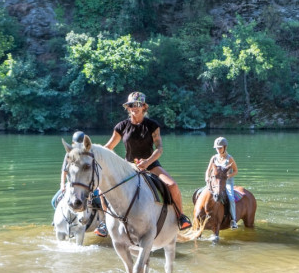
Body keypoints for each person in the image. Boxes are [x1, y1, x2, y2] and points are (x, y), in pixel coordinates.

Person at [105, 92, 192, 230]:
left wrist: (146, 162)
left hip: (151, 164)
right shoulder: (121, 126)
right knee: (103, 188)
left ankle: (180, 217)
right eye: (131, 105)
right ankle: (104, 224)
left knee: (172, 185)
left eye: (138, 104)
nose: (134, 107)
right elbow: (108, 148)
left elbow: (159, 149)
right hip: (128, 167)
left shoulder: (152, 125)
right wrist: (96, 153)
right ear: (128, 107)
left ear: (144, 107)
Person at [58, 131, 107, 237]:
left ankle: (104, 224)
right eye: (76, 144)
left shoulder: (88, 155)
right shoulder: (69, 154)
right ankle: (59, 222)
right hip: (73, 185)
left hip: (88, 185)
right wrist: (62, 185)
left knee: (100, 200)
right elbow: (64, 171)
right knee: (54, 200)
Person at [205, 137, 239, 229]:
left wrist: (228, 176)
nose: (218, 150)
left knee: (231, 198)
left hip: (227, 183)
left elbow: (236, 171)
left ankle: (233, 220)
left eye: (220, 148)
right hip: (214, 182)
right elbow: (208, 170)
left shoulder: (229, 158)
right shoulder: (214, 158)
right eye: (217, 148)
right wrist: (207, 178)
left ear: (225, 147)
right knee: (202, 194)